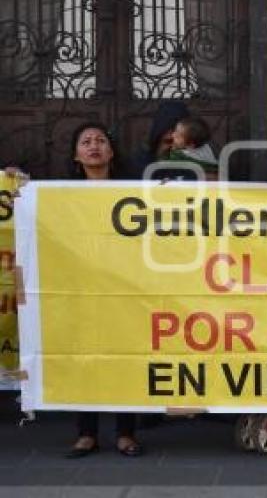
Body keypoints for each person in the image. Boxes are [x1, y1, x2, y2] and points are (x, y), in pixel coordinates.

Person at [65, 122, 143, 458]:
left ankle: (126, 433)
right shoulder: (60, 196)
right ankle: (87, 433)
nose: (94, 146)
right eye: (86, 142)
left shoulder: (133, 191)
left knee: (124, 357)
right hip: (81, 288)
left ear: (111, 151)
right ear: (76, 155)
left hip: (123, 286)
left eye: (100, 141)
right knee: (87, 358)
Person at [130, 100, 189, 179]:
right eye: (169, 141)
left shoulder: (197, 163)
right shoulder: (138, 166)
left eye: (180, 144)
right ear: (157, 141)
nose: (174, 148)